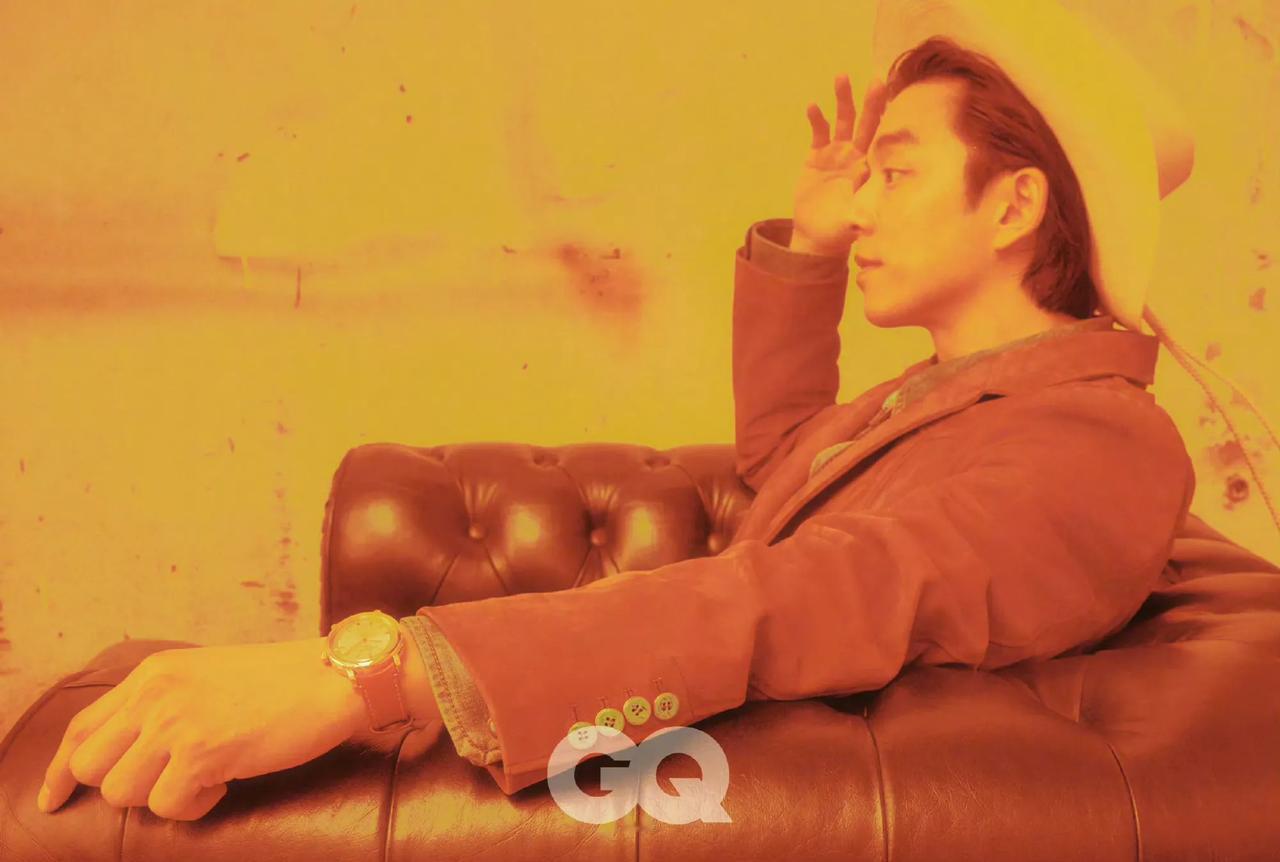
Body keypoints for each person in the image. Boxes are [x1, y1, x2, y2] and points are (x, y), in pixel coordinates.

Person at [34, 0, 1277, 820]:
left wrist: (379, 667)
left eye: (894, 173)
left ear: (1012, 206)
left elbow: (813, 588)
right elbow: (787, 461)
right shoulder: (955, 393)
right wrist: (806, 246)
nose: (863, 206)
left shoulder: (1093, 438)